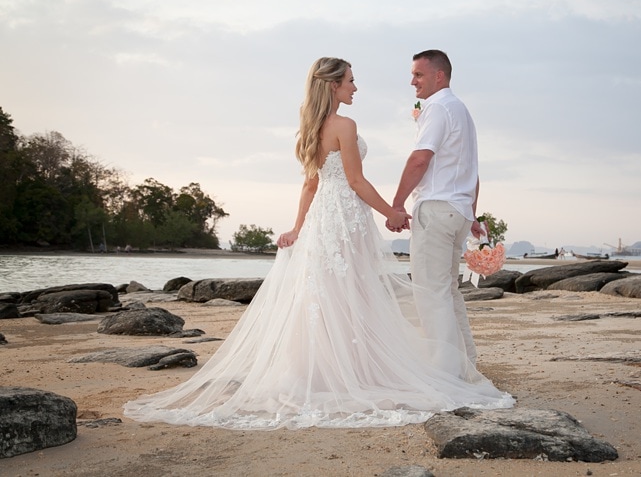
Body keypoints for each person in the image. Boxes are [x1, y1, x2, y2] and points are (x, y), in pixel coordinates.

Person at [123, 57, 513, 430]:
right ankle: (357, 370)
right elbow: (356, 182)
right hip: (345, 218)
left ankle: (328, 370)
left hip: (325, 219)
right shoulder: (344, 125)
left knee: (327, 294)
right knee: (353, 292)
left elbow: (311, 183)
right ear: (332, 85)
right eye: (350, 81)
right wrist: (391, 212)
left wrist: (297, 228)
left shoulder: (309, 128)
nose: (355, 87)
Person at [388, 49, 484, 367]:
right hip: (458, 211)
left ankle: (445, 374)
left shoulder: (439, 107)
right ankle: (465, 367)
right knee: (449, 293)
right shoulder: (461, 110)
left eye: (418, 74)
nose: (412, 81)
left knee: (432, 295)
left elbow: (420, 158)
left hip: (438, 210)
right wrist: (471, 214)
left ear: (438, 76)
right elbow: (472, 170)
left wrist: (397, 203)